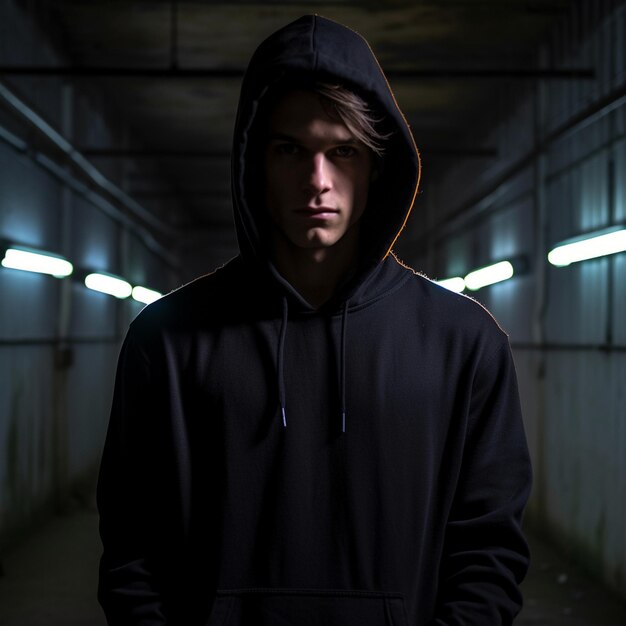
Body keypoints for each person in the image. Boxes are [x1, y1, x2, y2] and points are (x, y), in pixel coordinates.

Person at [97, 14, 532, 626]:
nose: (317, 181)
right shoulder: (166, 341)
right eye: (290, 151)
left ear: (376, 166)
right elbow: (132, 551)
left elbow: (488, 552)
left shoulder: (464, 343)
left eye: (343, 152)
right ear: (256, 163)